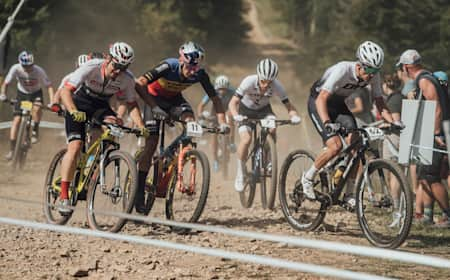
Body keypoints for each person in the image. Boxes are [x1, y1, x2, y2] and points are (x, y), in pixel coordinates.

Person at [134, 41, 229, 214]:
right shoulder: (168, 66)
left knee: (191, 122)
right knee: (151, 144)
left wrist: (223, 122)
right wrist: (153, 107)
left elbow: (215, 99)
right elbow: (139, 83)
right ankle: (139, 191)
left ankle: (172, 155)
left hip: (174, 101)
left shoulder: (199, 74)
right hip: (153, 100)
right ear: (181, 60)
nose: (192, 71)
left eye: (196, 67)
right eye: (189, 66)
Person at [57, 42, 149, 214]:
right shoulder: (91, 67)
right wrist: (73, 111)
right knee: (76, 146)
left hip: (100, 106)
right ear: (108, 58)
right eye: (116, 66)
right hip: (78, 102)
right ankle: (64, 195)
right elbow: (65, 92)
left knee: (112, 129)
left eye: (123, 68)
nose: (117, 72)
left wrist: (141, 125)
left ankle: (93, 170)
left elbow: (131, 104)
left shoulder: (127, 78)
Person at [302, 41, 396, 207]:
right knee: (335, 146)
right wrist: (327, 123)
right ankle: (308, 177)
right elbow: (322, 98)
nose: (372, 75)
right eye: (369, 70)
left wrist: (394, 122)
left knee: (357, 144)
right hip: (318, 102)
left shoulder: (373, 75)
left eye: (376, 71)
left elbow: (379, 102)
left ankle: (349, 193)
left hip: (338, 104)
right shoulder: (342, 70)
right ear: (360, 65)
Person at [228, 58, 301, 192]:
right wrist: (235, 115)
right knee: (246, 139)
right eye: (263, 81)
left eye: (269, 82)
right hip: (245, 110)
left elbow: (289, 105)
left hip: (264, 111)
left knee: (273, 128)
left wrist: (294, 115)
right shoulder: (248, 81)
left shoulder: (277, 85)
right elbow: (233, 103)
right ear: (258, 76)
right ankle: (241, 171)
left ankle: (268, 159)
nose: (265, 85)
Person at [397, 49, 450, 227]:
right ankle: (427, 216)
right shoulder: (427, 78)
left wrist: (436, 134)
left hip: (435, 134)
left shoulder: (424, 80)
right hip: (431, 133)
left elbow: (436, 108)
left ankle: (447, 215)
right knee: (424, 176)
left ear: (406, 67)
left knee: (433, 177)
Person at [0, 51, 55, 156]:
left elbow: (49, 86)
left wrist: (52, 102)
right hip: (22, 95)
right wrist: (3, 94)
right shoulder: (15, 68)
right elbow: (6, 83)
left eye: (30, 66)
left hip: (35, 94)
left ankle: (35, 130)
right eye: (25, 66)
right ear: (20, 63)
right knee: (16, 120)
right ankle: (12, 149)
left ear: (33, 63)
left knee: (37, 108)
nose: (27, 69)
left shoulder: (39, 71)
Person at [197, 74, 236, 172]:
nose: (222, 91)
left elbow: (238, 103)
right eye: (220, 89)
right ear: (216, 88)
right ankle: (215, 160)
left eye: (224, 89)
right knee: (213, 137)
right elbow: (201, 105)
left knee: (231, 120)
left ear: (228, 88)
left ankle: (231, 142)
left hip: (227, 113)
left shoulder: (233, 92)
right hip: (214, 114)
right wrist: (200, 114)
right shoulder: (212, 92)